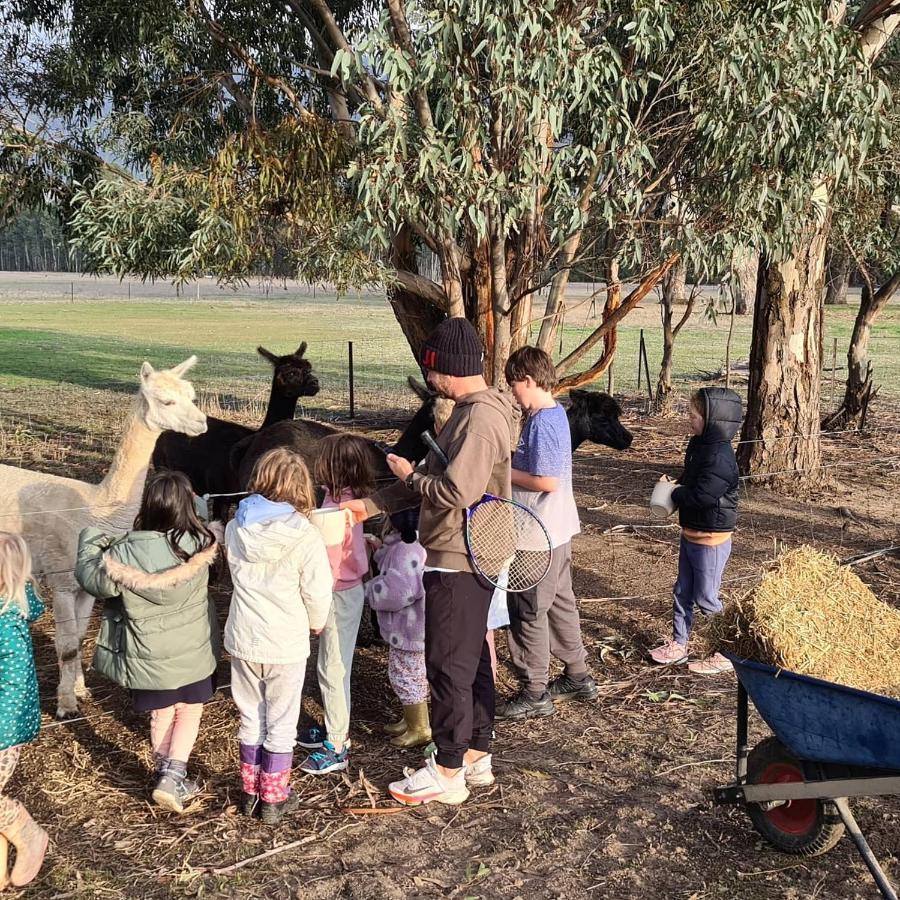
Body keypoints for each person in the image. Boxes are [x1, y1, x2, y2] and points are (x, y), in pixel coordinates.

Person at [343, 317, 515, 805]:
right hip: (468, 551)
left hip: (459, 553)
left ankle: (447, 770)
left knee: (446, 664)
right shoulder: (473, 410)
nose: (427, 375)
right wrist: (369, 506)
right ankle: (476, 753)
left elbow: (455, 491)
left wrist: (410, 475)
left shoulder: (479, 418)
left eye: (430, 366)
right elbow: (443, 476)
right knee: (472, 657)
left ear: (446, 368)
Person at [76, 471, 220, 813]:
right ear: (188, 506)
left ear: (148, 506)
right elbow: (201, 512)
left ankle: (164, 773)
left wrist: (90, 539)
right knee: (189, 711)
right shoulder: (201, 542)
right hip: (193, 653)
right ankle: (174, 774)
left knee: (162, 713)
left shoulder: (125, 551)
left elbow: (96, 582)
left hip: (147, 656)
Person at [223, 448, 332, 824]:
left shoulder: (235, 525)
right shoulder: (305, 534)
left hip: (243, 634)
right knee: (283, 719)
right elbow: (317, 589)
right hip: (284, 639)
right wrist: (317, 620)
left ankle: (250, 791)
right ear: (301, 486)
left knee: (250, 714)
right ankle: (274, 798)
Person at [496, 346, 598, 720]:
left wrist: (500, 472)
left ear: (528, 380)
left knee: (528, 610)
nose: (512, 394)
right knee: (560, 602)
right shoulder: (551, 415)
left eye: (514, 385)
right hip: (557, 529)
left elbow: (547, 481)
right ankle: (577, 674)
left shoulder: (542, 421)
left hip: (536, 535)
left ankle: (534, 690)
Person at [649, 387, 742, 674]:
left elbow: (703, 495)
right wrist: (675, 482)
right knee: (682, 591)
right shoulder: (699, 445)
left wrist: (676, 494)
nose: (689, 419)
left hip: (711, 539)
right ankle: (679, 643)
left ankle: (729, 651)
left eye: (694, 414)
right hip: (691, 532)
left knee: (706, 597)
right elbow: (691, 480)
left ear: (713, 419)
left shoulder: (720, 457)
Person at [298, 434, 373, 775]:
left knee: (333, 668)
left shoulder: (337, 509)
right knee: (331, 664)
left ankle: (337, 743)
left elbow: (325, 559)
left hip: (337, 593)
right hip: (344, 590)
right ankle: (332, 729)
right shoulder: (340, 499)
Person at [0, 533, 49, 888]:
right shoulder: (11, 608)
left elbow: (14, 687)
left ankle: (28, 832)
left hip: (3, 728)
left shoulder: (7, 627)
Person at [365, 509, 430, 748]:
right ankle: (410, 718)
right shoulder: (413, 543)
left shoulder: (406, 550)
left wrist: (371, 589)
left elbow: (399, 590)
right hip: (415, 629)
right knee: (412, 674)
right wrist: (379, 549)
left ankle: (420, 727)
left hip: (409, 630)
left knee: (405, 676)